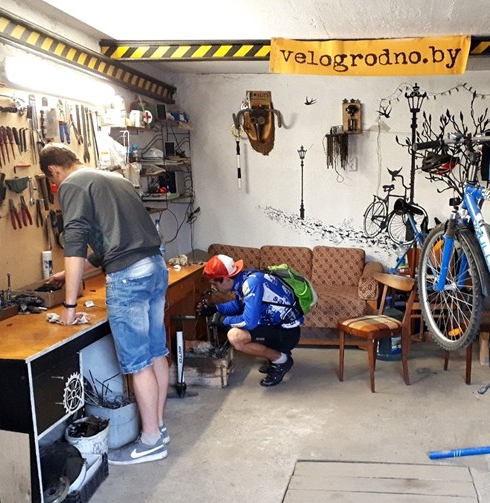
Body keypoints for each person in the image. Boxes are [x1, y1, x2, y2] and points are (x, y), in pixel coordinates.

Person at [39, 143, 170, 466]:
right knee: (156, 353)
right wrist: (67, 274)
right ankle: (158, 427)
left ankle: (151, 441)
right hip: (155, 267)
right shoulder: (115, 180)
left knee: (138, 363)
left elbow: (75, 244)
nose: (56, 185)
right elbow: (105, 249)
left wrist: (69, 306)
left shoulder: (71, 185)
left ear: (53, 171)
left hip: (129, 277)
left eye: (52, 180)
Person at [198, 254, 301, 387]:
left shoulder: (251, 284)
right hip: (278, 326)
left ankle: (281, 360)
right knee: (236, 323)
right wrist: (215, 308)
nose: (213, 287)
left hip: (287, 334)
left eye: (214, 283)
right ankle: (275, 356)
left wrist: (222, 320)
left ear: (226, 279)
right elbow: (238, 304)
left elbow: (249, 322)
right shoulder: (245, 278)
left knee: (235, 336)